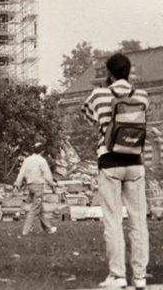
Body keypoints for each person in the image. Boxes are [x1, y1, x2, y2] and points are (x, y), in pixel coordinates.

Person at [82, 53, 149, 289]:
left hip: (110, 160)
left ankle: (118, 275)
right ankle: (140, 276)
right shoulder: (142, 95)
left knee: (113, 220)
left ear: (109, 73)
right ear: (129, 72)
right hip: (135, 161)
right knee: (138, 220)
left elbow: (90, 117)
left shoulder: (99, 94)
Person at [14, 141, 58, 236]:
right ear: (42, 151)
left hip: (29, 185)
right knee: (34, 209)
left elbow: (21, 172)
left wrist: (18, 183)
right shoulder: (42, 161)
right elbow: (47, 175)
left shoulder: (27, 160)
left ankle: (48, 228)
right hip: (38, 186)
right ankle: (25, 230)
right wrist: (52, 185)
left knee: (39, 208)